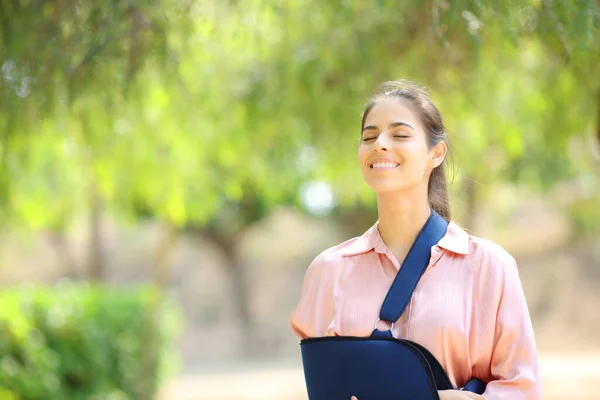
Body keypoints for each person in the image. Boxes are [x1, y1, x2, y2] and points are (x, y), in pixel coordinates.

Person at [290, 80, 541, 399]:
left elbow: (523, 389)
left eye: (400, 134)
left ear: (436, 153)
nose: (379, 144)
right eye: (369, 136)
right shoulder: (328, 271)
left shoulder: (489, 267)